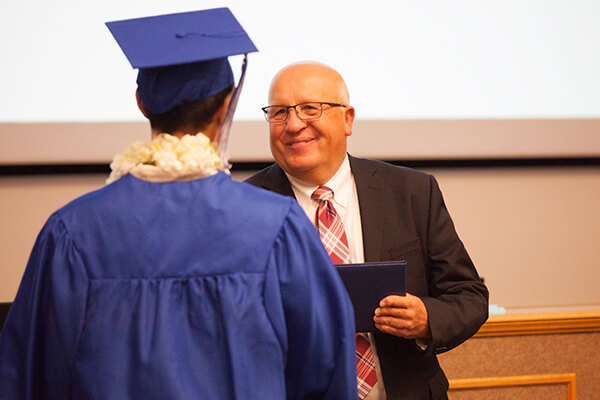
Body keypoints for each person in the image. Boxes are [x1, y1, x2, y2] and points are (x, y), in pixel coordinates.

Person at [0, 11, 357, 399]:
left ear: (141, 103)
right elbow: (324, 370)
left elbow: (30, 376)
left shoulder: (72, 231)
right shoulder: (277, 227)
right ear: (226, 106)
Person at [246, 61, 489, 400]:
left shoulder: (410, 192)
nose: (293, 124)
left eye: (309, 109)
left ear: (347, 119)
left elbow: (469, 295)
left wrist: (426, 319)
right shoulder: (243, 207)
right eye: (278, 112)